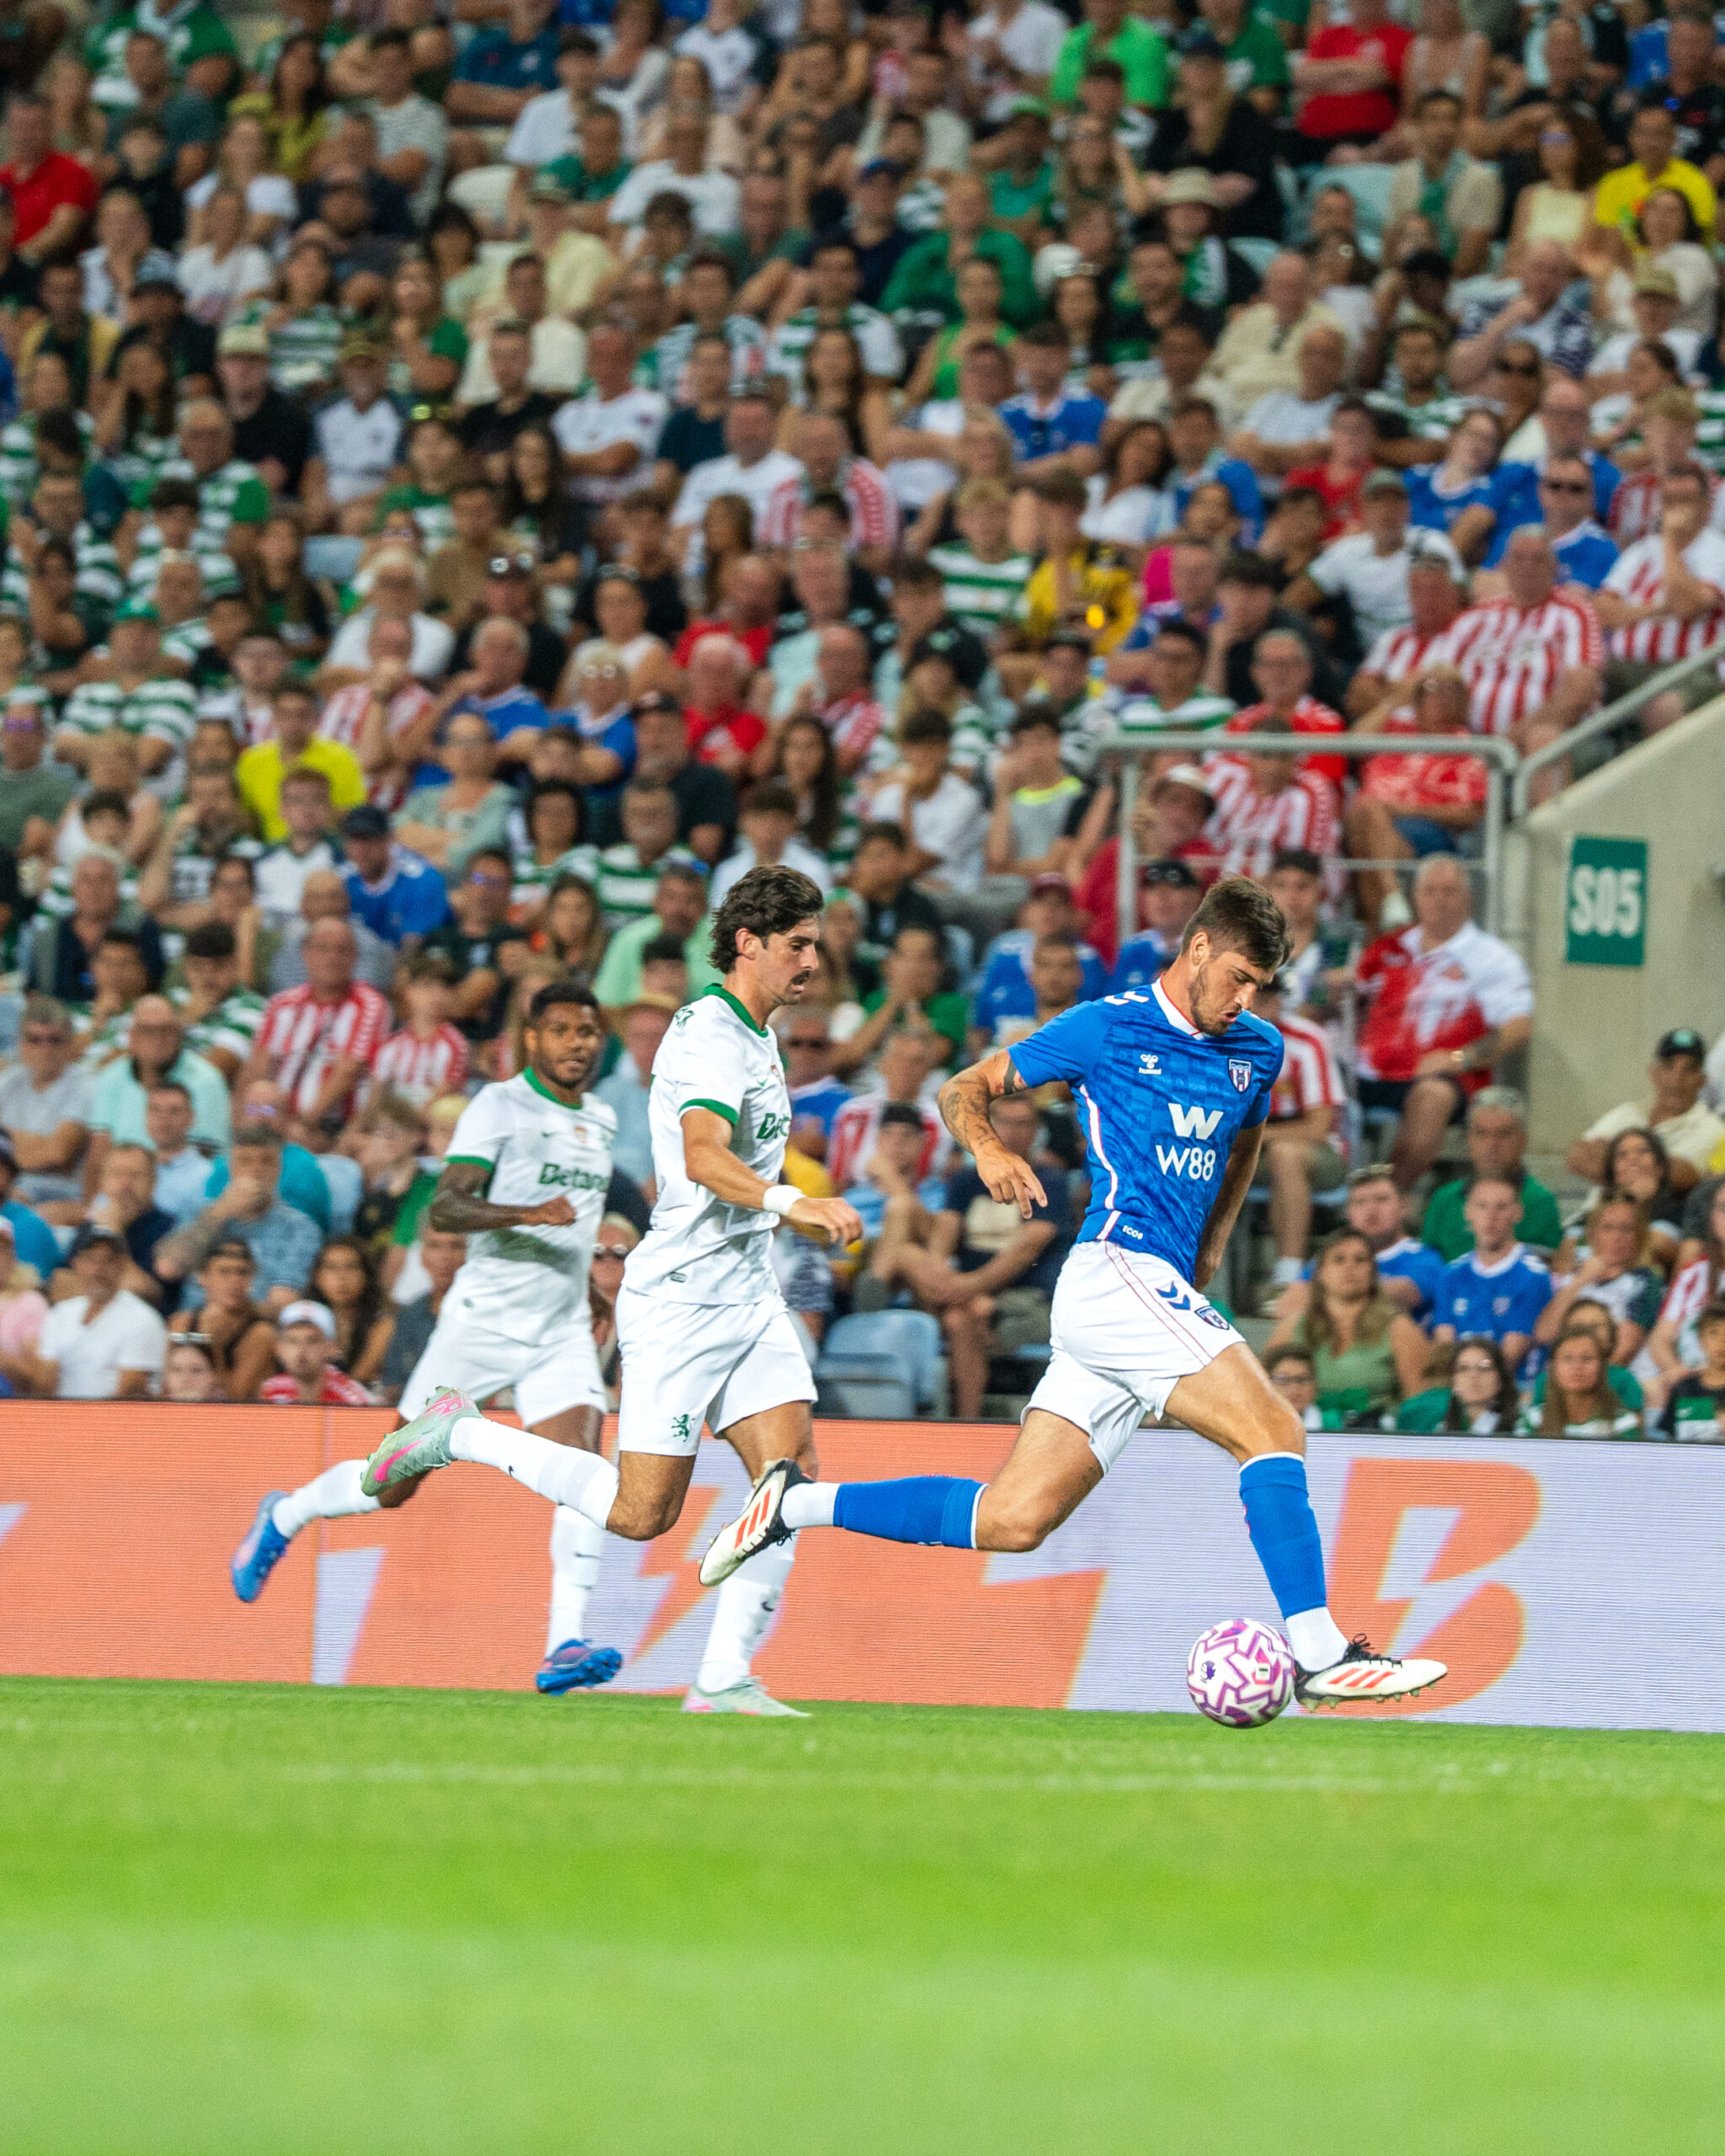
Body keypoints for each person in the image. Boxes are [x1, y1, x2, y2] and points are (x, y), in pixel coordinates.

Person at [696, 877, 1446, 1708]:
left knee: (1012, 1519)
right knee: (1272, 1429)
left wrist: (1213, 1242)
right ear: (1198, 948)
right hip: (1115, 1270)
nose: (1244, 999)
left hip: (1148, 1287)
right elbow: (962, 1088)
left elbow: (1246, 1139)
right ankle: (1319, 1654)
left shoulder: (1255, 1049)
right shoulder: (1105, 1027)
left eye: (1259, 986)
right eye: (1237, 977)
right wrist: (989, 1151)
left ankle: (795, 1502)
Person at [360, 869, 868, 1719]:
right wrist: (792, 1201)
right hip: (681, 1299)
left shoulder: (757, 1035)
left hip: (745, 1294)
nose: (813, 961)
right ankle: (459, 1432)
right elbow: (701, 1156)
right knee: (640, 1513)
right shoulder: (710, 1034)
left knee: (789, 1477)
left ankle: (722, 1678)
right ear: (748, 943)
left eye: (815, 944)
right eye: (798, 944)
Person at [1354, 857, 1535, 1192]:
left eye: (1449, 891)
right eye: (1430, 891)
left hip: (1442, 1077)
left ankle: (1388, 1196)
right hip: (1369, 1072)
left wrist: (1459, 1059)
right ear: (1415, 898)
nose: (1439, 900)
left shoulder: (1492, 958)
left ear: (1468, 898)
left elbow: (1519, 1026)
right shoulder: (1391, 947)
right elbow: (1354, 992)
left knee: (1432, 1096)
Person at [1265, 1230, 1429, 1428]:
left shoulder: (1400, 1329)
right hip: (1306, 1435)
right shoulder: (1291, 1328)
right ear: (1320, 1272)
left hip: (1377, 1437)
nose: (1350, 1267)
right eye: (1339, 1259)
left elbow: (1421, 1406)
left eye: (1360, 1260)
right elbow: (1263, 1394)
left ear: (1373, 1272)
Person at [17, 1222, 167, 1399]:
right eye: (90, 1259)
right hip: (62, 1412)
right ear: (76, 1263)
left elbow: (130, 1393)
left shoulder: (143, 1319)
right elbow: (45, 1383)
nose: (98, 1270)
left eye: (109, 1260)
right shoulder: (61, 1313)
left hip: (114, 1415)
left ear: (122, 1265)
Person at [1430, 1173, 1552, 1373]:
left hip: (1514, 1387)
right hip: (1460, 1384)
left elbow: (1509, 1357)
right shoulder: (1450, 1275)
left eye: (1501, 1207)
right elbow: (1445, 1350)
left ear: (1517, 1213)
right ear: (1467, 1211)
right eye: (1482, 1206)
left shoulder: (1533, 1276)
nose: (1491, 1216)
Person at [1423, 1086, 1563, 1261]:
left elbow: (1543, 1269)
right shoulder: (1443, 1199)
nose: (1492, 1145)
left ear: (1522, 1141)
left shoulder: (1540, 1202)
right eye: (1481, 1133)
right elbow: (1427, 1268)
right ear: (1469, 1141)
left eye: (1504, 1134)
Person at [168, 1235, 276, 1402]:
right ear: (203, 1277)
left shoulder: (260, 1333)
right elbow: (164, 1386)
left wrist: (214, 1345)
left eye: (242, 1272)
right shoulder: (181, 1323)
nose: (235, 1281)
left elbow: (236, 1399)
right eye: (224, 1272)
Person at [1522, 1322, 1642, 1438]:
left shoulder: (1623, 1422)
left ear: (1602, 1367)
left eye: (1587, 1358)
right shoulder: (1534, 1419)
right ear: (1552, 1367)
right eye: (1567, 1358)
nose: (1577, 1366)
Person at [1395, 1335, 1520, 1434]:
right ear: (1453, 1381)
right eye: (1463, 1369)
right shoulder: (1439, 1430)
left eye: (1484, 1368)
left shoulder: (1521, 1428)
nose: (1474, 1375)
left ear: (1500, 1379)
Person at [258, 1299, 375, 1406]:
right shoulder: (270, 1392)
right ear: (279, 1348)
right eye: (293, 1341)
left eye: (312, 1341)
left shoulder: (351, 1398)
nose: (301, 1351)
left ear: (330, 1347)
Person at [1655, 1297, 1725, 1440]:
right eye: (1714, 1333)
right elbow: (1669, 1439)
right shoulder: (1684, 1389)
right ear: (1700, 1339)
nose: (1722, 1341)